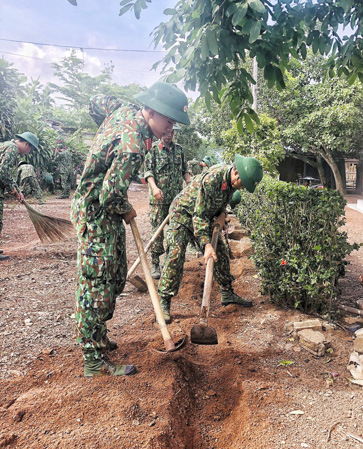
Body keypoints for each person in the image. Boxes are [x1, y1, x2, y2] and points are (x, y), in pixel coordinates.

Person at [71, 82, 190, 378]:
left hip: (102, 213)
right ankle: (93, 360)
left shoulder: (122, 110)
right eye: (168, 120)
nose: (170, 127)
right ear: (151, 111)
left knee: (115, 276)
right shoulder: (134, 145)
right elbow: (111, 195)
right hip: (95, 212)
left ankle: (98, 337)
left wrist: (105, 138)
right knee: (98, 282)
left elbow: (95, 99)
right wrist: (128, 209)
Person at [157, 155, 263, 324]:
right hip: (183, 214)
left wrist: (221, 215)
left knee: (220, 250)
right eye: (242, 183)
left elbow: (219, 205)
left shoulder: (231, 183)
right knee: (176, 254)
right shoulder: (212, 180)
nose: (241, 188)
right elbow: (198, 215)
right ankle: (164, 301)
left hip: (204, 215)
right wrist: (206, 245)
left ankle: (227, 292)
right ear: (236, 173)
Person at [144, 126, 191, 279]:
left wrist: (190, 183)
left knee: (175, 230)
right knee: (157, 232)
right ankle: (155, 263)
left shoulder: (179, 150)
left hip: (176, 199)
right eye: (164, 132)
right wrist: (154, 187)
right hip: (159, 199)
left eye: (171, 132)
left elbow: (185, 169)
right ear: (161, 133)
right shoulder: (153, 151)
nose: (168, 135)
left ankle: (169, 262)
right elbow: (148, 172)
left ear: (174, 133)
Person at [0, 132, 39, 261]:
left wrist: (17, 190)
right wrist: (13, 191)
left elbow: (7, 174)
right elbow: (3, 172)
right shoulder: (12, 149)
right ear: (26, 144)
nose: (29, 152)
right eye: (31, 149)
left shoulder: (8, 147)